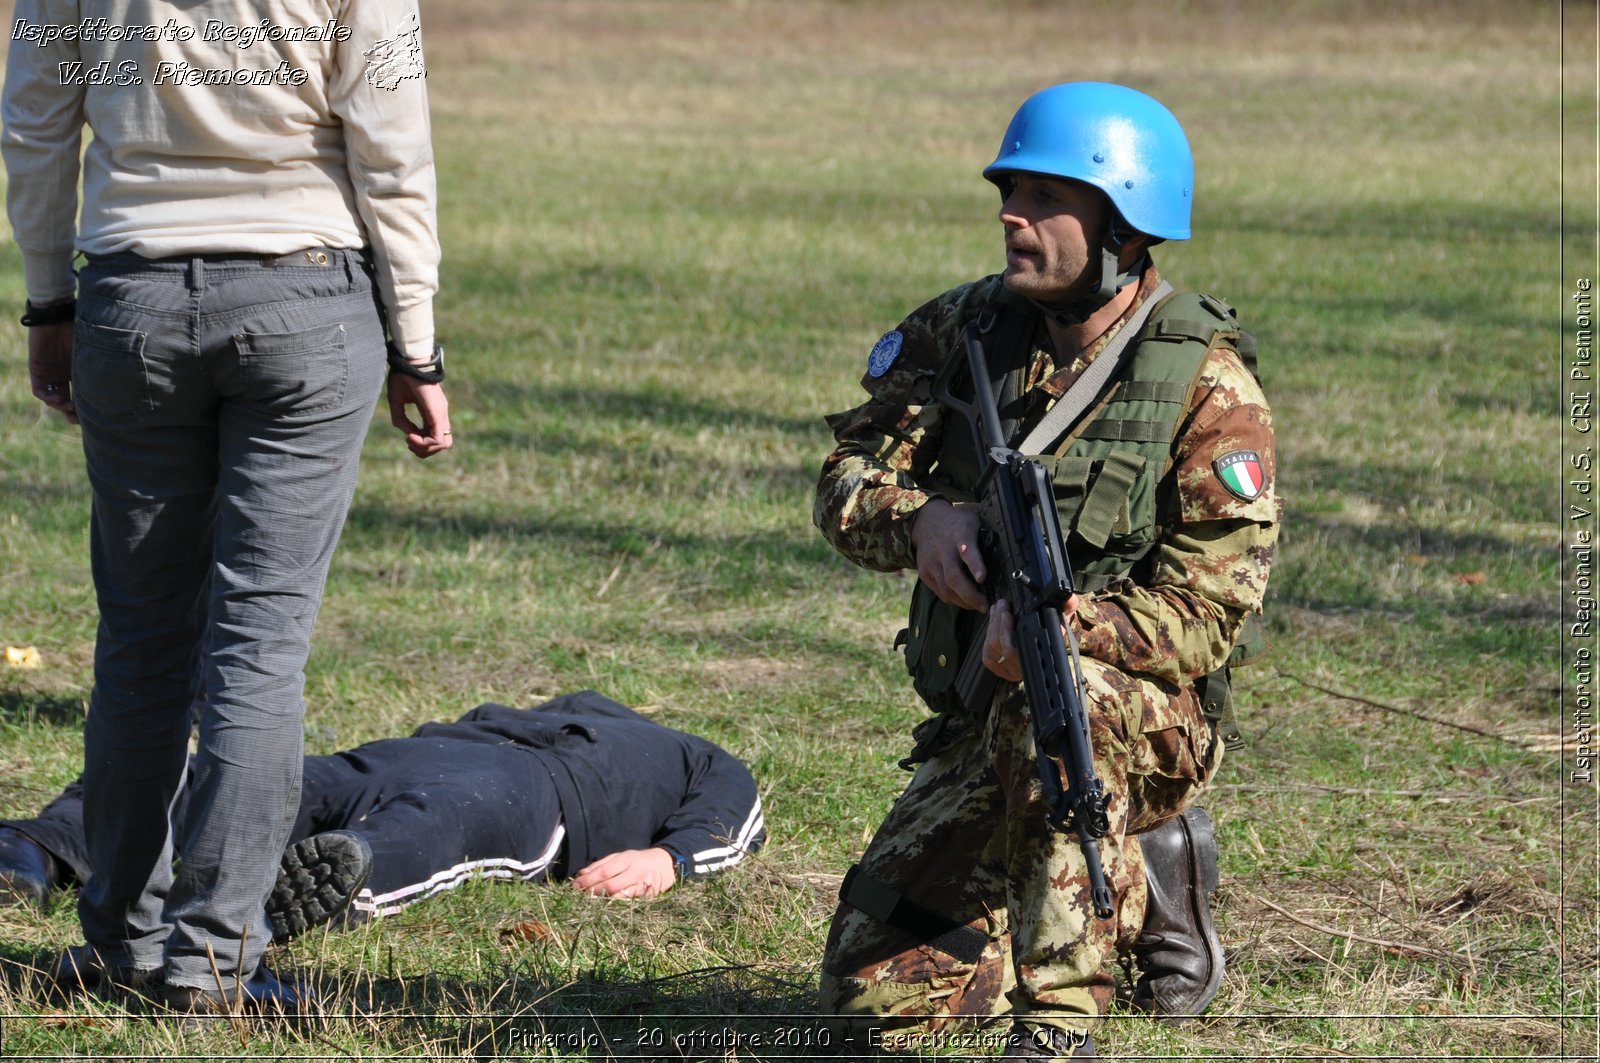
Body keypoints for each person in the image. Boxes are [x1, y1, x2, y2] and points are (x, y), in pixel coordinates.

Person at [812, 82, 1280, 1060]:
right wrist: (922, 520)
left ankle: (1060, 1019)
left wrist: (1062, 628)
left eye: (1043, 197)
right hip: (981, 715)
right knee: (870, 999)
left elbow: (1204, 617)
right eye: (1007, 190)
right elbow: (843, 483)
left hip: (1138, 714)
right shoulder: (961, 333)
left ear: (1124, 222)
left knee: (1054, 696)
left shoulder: (1206, 386)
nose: (1009, 215)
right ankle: (1118, 887)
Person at [3, 0, 452, 1017]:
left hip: (132, 297)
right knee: (258, 645)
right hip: (306, 297)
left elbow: (34, 118)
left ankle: (124, 940)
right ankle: (211, 964)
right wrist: (415, 341)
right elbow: (392, 144)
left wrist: (47, 301)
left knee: (141, 643)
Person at [0, 691, 767, 945]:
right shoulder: (565, 706)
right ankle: (36, 848)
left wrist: (672, 860)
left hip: (543, 795)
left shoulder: (697, 756)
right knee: (258, 780)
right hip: (430, 747)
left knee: (441, 824)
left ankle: (328, 881)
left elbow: (739, 813)